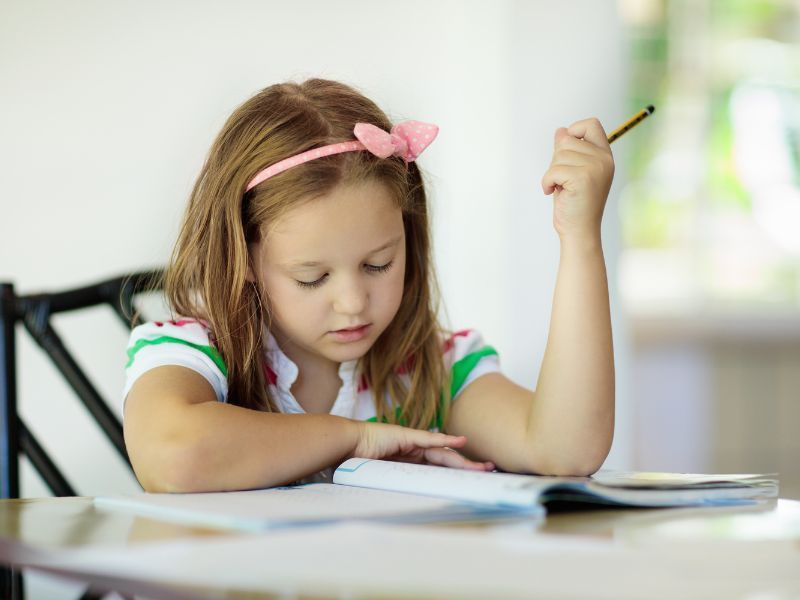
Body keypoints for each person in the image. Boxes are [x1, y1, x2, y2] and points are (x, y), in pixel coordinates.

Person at [123, 78, 615, 493]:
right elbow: (175, 455)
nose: (354, 303)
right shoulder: (191, 350)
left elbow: (563, 449)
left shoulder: (433, 371)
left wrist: (580, 239)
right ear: (243, 256)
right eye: (312, 277)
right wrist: (354, 438)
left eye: (379, 264)